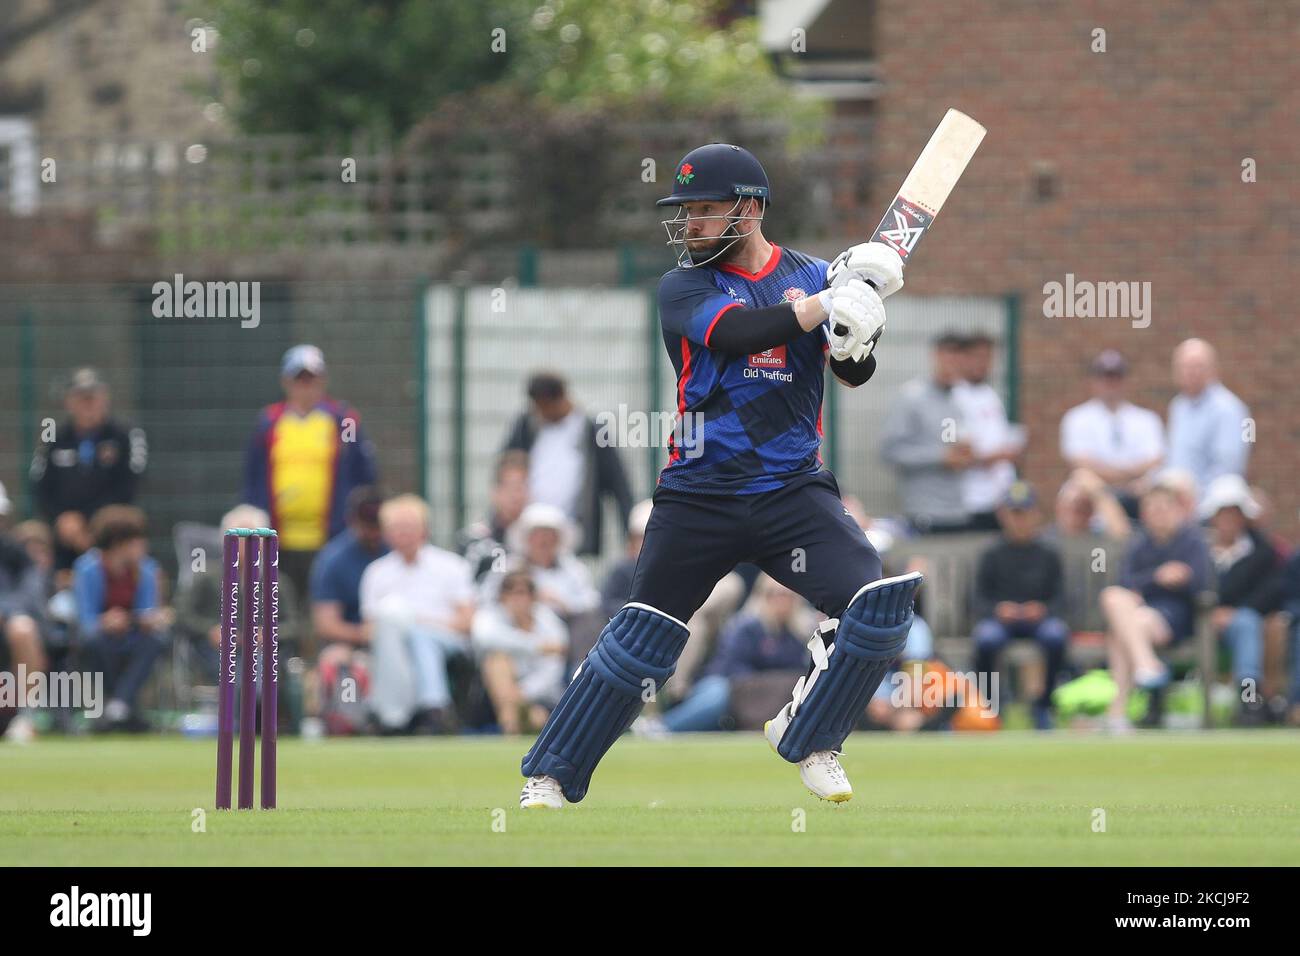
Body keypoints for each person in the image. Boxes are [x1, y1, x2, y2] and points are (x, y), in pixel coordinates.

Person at [519, 142, 922, 809]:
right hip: (699, 494)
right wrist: (831, 300)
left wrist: (859, 333)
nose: (693, 225)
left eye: (707, 211)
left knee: (875, 612)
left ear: (752, 207)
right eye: (688, 212)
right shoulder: (684, 286)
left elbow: (851, 370)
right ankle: (553, 775)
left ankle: (812, 733)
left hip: (792, 490)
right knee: (641, 637)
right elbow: (739, 334)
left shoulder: (811, 275)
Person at [243, 345, 378, 628]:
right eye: (299, 380)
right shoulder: (269, 422)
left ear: (323, 381)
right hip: (278, 535)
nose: (306, 387)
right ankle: (284, 662)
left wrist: (354, 518)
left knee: (325, 600)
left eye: (312, 379)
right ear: (286, 382)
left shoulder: (344, 420)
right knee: (280, 601)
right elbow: (253, 476)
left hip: (331, 533)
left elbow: (363, 474)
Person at [1099, 480, 1212, 732]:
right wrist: (1158, 577)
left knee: (1122, 626)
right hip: (1138, 617)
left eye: (1164, 508)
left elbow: (1201, 584)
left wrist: (1180, 578)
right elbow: (1126, 584)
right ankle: (1145, 666)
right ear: (1144, 514)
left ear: (1176, 510)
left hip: (1174, 619)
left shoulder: (1192, 540)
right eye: (1153, 509)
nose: (1159, 514)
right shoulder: (1138, 544)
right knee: (1114, 601)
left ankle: (1118, 710)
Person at [359, 495, 474, 734]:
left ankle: (410, 712)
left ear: (425, 530)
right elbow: (369, 628)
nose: (404, 534)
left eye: (409, 527)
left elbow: (466, 621)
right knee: (396, 631)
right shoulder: (376, 572)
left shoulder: (451, 565)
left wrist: (419, 623)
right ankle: (425, 711)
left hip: (446, 638)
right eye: (397, 528)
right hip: (394, 642)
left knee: (418, 635)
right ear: (386, 533)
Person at [652, 575, 813, 733]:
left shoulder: (798, 636)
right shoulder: (745, 626)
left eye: (787, 595)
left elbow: (799, 675)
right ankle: (661, 727)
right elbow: (731, 669)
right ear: (761, 596)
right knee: (718, 694)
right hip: (726, 687)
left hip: (766, 699)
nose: (781, 601)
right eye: (773, 594)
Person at [30, 368, 148, 579]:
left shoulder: (126, 435)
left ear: (105, 399)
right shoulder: (52, 437)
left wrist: (91, 522)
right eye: (81, 398)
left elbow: (129, 484)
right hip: (63, 534)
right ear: (68, 402)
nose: (88, 404)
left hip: (111, 535)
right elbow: (40, 484)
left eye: (93, 397)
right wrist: (62, 518)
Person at [970, 482, 1069, 730]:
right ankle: (992, 705)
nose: (1019, 520)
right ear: (1003, 515)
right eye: (1014, 513)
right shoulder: (992, 554)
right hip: (1001, 622)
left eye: (1024, 513)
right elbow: (975, 598)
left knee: (1056, 635)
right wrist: (998, 610)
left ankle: (1044, 705)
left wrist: (1043, 609)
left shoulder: (1048, 553)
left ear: (1035, 514)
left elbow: (1063, 597)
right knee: (986, 638)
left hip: (1039, 622)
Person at [503, 372, 633, 556]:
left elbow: (619, 485)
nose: (542, 413)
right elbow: (506, 469)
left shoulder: (592, 430)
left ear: (561, 398)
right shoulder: (526, 426)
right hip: (529, 535)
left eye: (545, 407)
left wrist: (630, 534)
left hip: (575, 535)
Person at [73, 505, 172, 731]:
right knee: (94, 641)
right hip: (99, 638)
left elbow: (148, 612)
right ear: (119, 543)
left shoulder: (147, 569)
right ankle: (119, 706)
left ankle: (117, 705)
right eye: (136, 541)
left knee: (156, 640)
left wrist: (142, 619)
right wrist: (105, 621)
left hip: (134, 637)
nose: (143, 546)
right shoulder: (86, 568)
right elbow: (85, 618)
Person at [1202, 476, 1281, 725]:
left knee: (1247, 622)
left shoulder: (1263, 552)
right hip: (1198, 621)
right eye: (1222, 513)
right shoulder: (1197, 548)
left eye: (1234, 514)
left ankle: (1249, 699)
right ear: (1213, 517)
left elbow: (1271, 592)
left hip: (1241, 621)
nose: (1228, 521)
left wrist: (1235, 611)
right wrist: (1208, 612)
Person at [309, 486, 389, 732]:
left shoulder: (396, 549)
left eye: (378, 524)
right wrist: (362, 635)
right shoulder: (333, 559)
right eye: (368, 524)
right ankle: (346, 722)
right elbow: (325, 623)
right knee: (337, 661)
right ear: (352, 521)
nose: (374, 532)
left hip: (395, 639)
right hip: (350, 642)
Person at [880, 333, 973, 532]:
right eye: (950, 357)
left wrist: (967, 454)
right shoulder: (912, 397)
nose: (954, 365)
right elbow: (889, 452)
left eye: (960, 359)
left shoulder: (962, 399)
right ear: (936, 357)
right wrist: (940, 457)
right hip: (924, 512)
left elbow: (956, 444)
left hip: (959, 511)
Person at [1060, 350, 1164, 516]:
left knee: (1163, 488)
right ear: (1094, 381)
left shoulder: (1146, 419)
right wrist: (1123, 477)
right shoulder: (1077, 418)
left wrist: (1124, 479)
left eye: (1116, 377)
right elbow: (1080, 462)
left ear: (1125, 381)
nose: (1110, 383)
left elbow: (1155, 459)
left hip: (1138, 488)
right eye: (1105, 377)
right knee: (1075, 490)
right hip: (1096, 489)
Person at [471, 569, 568, 735]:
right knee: (497, 661)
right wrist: (538, 647)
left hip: (541, 698)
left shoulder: (549, 620)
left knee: (536, 717)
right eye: (511, 594)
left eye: (522, 593)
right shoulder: (490, 617)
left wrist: (522, 693)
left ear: (533, 597)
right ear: (502, 598)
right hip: (497, 699)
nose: (517, 600)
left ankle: (514, 722)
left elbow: (553, 670)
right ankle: (512, 724)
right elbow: (484, 638)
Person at [952, 332, 1023, 530]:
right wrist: (998, 456)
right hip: (971, 500)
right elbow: (957, 454)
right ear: (963, 359)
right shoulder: (955, 397)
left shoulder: (991, 395)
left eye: (988, 358)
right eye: (978, 357)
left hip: (1001, 500)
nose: (983, 363)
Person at [1166, 338, 1250, 503]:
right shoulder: (1177, 405)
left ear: (1214, 370)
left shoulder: (1230, 409)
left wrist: (1192, 495)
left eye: (1198, 366)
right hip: (1176, 502)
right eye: (1185, 367)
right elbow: (1174, 458)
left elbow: (1228, 467)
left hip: (1211, 503)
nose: (1191, 372)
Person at [459, 451, 529, 583]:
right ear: (494, 492)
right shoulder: (474, 539)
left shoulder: (540, 539)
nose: (517, 496)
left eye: (522, 487)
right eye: (511, 487)